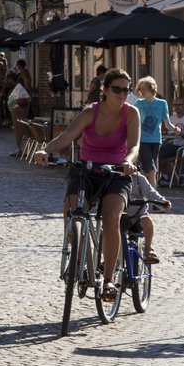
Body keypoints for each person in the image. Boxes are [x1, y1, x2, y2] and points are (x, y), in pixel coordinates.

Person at [33, 67, 141, 303]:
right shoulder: (90, 112)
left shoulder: (131, 113)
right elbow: (66, 136)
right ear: (105, 90)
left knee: (111, 217)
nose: (122, 94)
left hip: (117, 173)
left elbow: (134, 146)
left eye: (126, 90)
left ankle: (109, 279)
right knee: (71, 209)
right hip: (87, 171)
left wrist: (128, 161)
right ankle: (78, 257)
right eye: (117, 89)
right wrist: (45, 150)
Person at [126, 168, 172, 265]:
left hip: (138, 216)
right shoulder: (114, 177)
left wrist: (162, 202)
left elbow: (151, 193)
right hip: (121, 216)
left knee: (147, 221)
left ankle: (148, 249)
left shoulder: (139, 179)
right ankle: (112, 260)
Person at [133, 76, 170, 175]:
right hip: (143, 140)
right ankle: (153, 186)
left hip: (156, 140)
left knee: (147, 169)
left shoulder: (162, 104)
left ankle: (143, 184)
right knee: (151, 168)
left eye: (143, 88)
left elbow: (167, 123)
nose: (141, 91)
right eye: (140, 89)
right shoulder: (138, 103)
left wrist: (175, 128)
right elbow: (131, 118)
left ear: (151, 88)